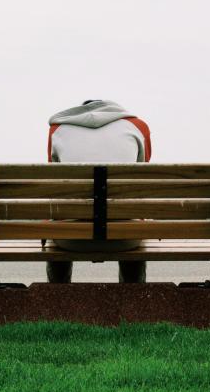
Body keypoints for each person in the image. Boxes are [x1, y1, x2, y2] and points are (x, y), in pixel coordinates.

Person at [46, 99, 152, 283]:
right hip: (125, 239)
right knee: (133, 221)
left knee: (59, 221)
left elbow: (55, 184)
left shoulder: (58, 130)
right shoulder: (138, 127)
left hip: (70, 239)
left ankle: (58, 301)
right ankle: (133, 301)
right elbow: (141, 179)